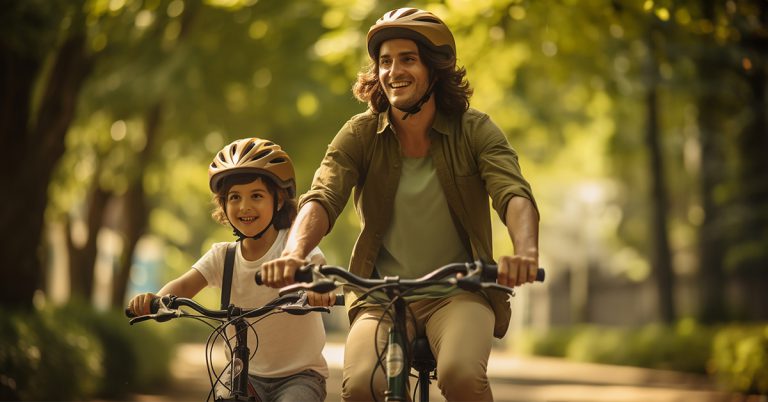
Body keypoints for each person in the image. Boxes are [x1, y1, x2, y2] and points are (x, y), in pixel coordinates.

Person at [261, 7, 540, 401]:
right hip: (381, 295)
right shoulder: (360, 133)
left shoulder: (474, 129)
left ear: (436, 68)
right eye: (385, 61)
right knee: (363, 385)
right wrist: (293, 255)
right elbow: (323, 196)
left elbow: (513, 193)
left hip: (460, 293)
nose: (393, 71)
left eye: (408, 59)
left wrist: (525, 252)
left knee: (461, 375)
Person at [127, 138, 329, 402]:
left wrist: (320, 291)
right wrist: (156, 300)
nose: (244, 206)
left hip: (300, 376)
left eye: (256, 196)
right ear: (223, 205)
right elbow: (184, 286)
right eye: (234, 197)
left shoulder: (293, 248)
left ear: (279, 200)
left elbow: (319, 273)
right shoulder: (224, 257)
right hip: (242, 372)